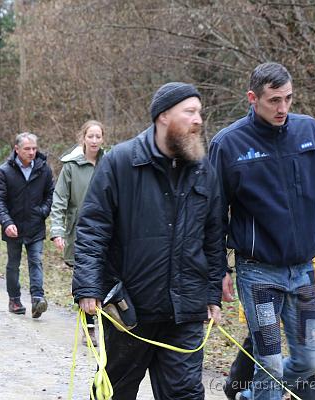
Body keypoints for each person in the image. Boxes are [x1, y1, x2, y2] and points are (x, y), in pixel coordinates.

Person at [209, 62, 315, 400]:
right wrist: (219, 270)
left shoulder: (310, 132)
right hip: (259, 273)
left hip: (303, 272)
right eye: (274, 100)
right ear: (252, 98)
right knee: (270, 364)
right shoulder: (228, 145)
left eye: (288, 99)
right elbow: (213, 217)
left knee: (309, 360)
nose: (283, 108)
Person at [73, 82, 225, 399]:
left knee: (184, 393)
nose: (199, 120)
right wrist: (88, 286)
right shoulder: (120, 162)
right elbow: (92, 227)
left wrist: (212, 292)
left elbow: (213, 237)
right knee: (116, 391)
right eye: (190, 112)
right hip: (130, 309)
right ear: (163, 116)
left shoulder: (204, 171)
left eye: (200, 112)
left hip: (186, 311)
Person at [224, 236, 315, 400]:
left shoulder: (311, 220)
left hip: (303, 282)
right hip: (262, 279)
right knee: (264, 355)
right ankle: (235, 387)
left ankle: (247, 393)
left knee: (306, 358)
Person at [50, 120, 105, 345]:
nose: (93, 141)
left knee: (106, 278)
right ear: (82, 138)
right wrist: (57, 231)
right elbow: (60, 200)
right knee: (86, 280)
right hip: (79, 233)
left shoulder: (109, 162)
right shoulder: (71, 166)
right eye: (90, 136)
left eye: (97, 136)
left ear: (103, 139)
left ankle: (109, 325)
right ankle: (89, 328)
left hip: (107, 231)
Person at [0, 132, 54, 319]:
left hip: (36, 225)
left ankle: (37, 298)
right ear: (17, 149)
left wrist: (43, 211)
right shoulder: (5, 171)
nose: (32, 152)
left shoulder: (44, 169)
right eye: (27, 149)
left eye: (34, 148)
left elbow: (50, 194)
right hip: (13, 227)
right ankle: (14, 299)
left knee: (36, 261)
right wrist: (6, 222)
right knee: (13, 265)